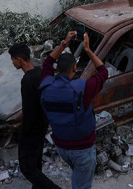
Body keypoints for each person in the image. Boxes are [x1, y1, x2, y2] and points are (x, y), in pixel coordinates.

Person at [41, 31, 109, 189]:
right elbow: (103, 72)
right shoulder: (82, 89)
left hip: (62, 147)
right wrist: (88, 49)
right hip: (82, 148)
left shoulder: (46, 86)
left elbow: (47, 63)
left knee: (78, 178)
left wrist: (64, 43)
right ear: (75, 68)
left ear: (57, 69)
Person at [9, 43, 60, 189]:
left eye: (12, 59)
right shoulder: (40, 72)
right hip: (42, 125)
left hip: (32, 130)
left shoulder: (27, 81)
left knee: (28, 168)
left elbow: (29, 112)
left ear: (19, 59)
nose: (12, 63)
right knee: (36, 164)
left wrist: (22, 134)